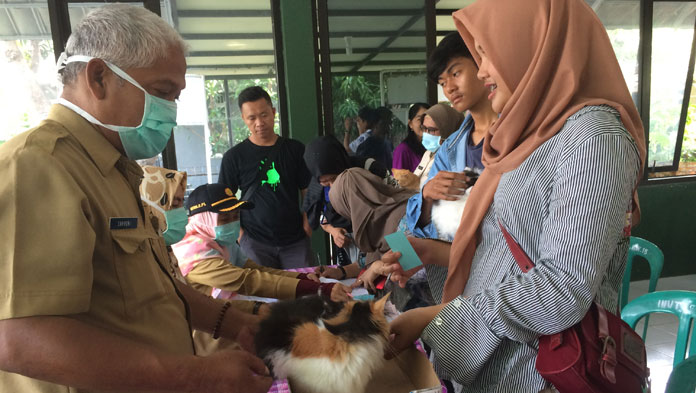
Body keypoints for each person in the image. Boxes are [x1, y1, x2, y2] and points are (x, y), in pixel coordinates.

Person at [0, 5, 272, 393]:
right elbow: (18, 338)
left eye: (175, 97)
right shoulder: (37, 165)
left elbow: (156, 291)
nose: (172, 114)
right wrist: (197, 375)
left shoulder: (114, 170)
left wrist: (240, 324)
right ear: (99, 78)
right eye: (162, 93)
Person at [386, 1, 646, 392]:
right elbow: (501, 247)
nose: (483, 69)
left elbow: (562, 287)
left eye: (486, 54)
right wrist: (424, 252)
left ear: (534, 45)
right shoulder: (524, 136)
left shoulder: (593, 138)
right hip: (493, 361)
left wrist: (437, 315)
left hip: (538, 371)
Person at [171, 183, 351, 303]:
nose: (232, 223)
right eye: (225, 218)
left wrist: (302, 278)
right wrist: (317, 289)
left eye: (235, 216)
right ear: (203, 219)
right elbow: (247, 280)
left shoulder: (220, 240)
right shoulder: (193, 252)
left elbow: (256, 270)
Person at [405, 31, 498, 241]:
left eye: (455, 74)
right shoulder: (450, 149)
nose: (450, 88)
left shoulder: (517, 131)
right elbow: (431, 229)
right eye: (442, 82)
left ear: (482, 65)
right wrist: (427, 195)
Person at [218, 86, 313, 269]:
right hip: (254, 242)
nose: (259, 123)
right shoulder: (234, 156)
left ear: (273, 112)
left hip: (295, 240)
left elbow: (307, 189)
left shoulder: (295, 149)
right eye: (252, 118)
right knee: (263, 295)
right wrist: (240, 235)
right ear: (244, 119)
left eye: (264, 115)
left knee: (304, 291)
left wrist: (307, 223)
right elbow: (224, 201)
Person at [302, 135, 390, 267]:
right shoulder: (317, 186)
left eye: (334, 178)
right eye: (325, 182)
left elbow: (394, 205)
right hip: (349, 245)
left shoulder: (369, 168)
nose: (332, 186)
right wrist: (334, 231)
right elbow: (321, 216)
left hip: (384, 235)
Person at [397, 104, 466, 191]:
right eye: (424, 128)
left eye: (431, 130)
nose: (426, 133)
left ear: (447, 130)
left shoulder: (454, 159)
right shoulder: (428, 153)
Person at [392, 103, 430, 188]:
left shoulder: (434, 148)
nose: (425, 123)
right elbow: (398, 185)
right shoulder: (402, 150)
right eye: (420, 119)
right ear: (410, 124)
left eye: (428, 118)